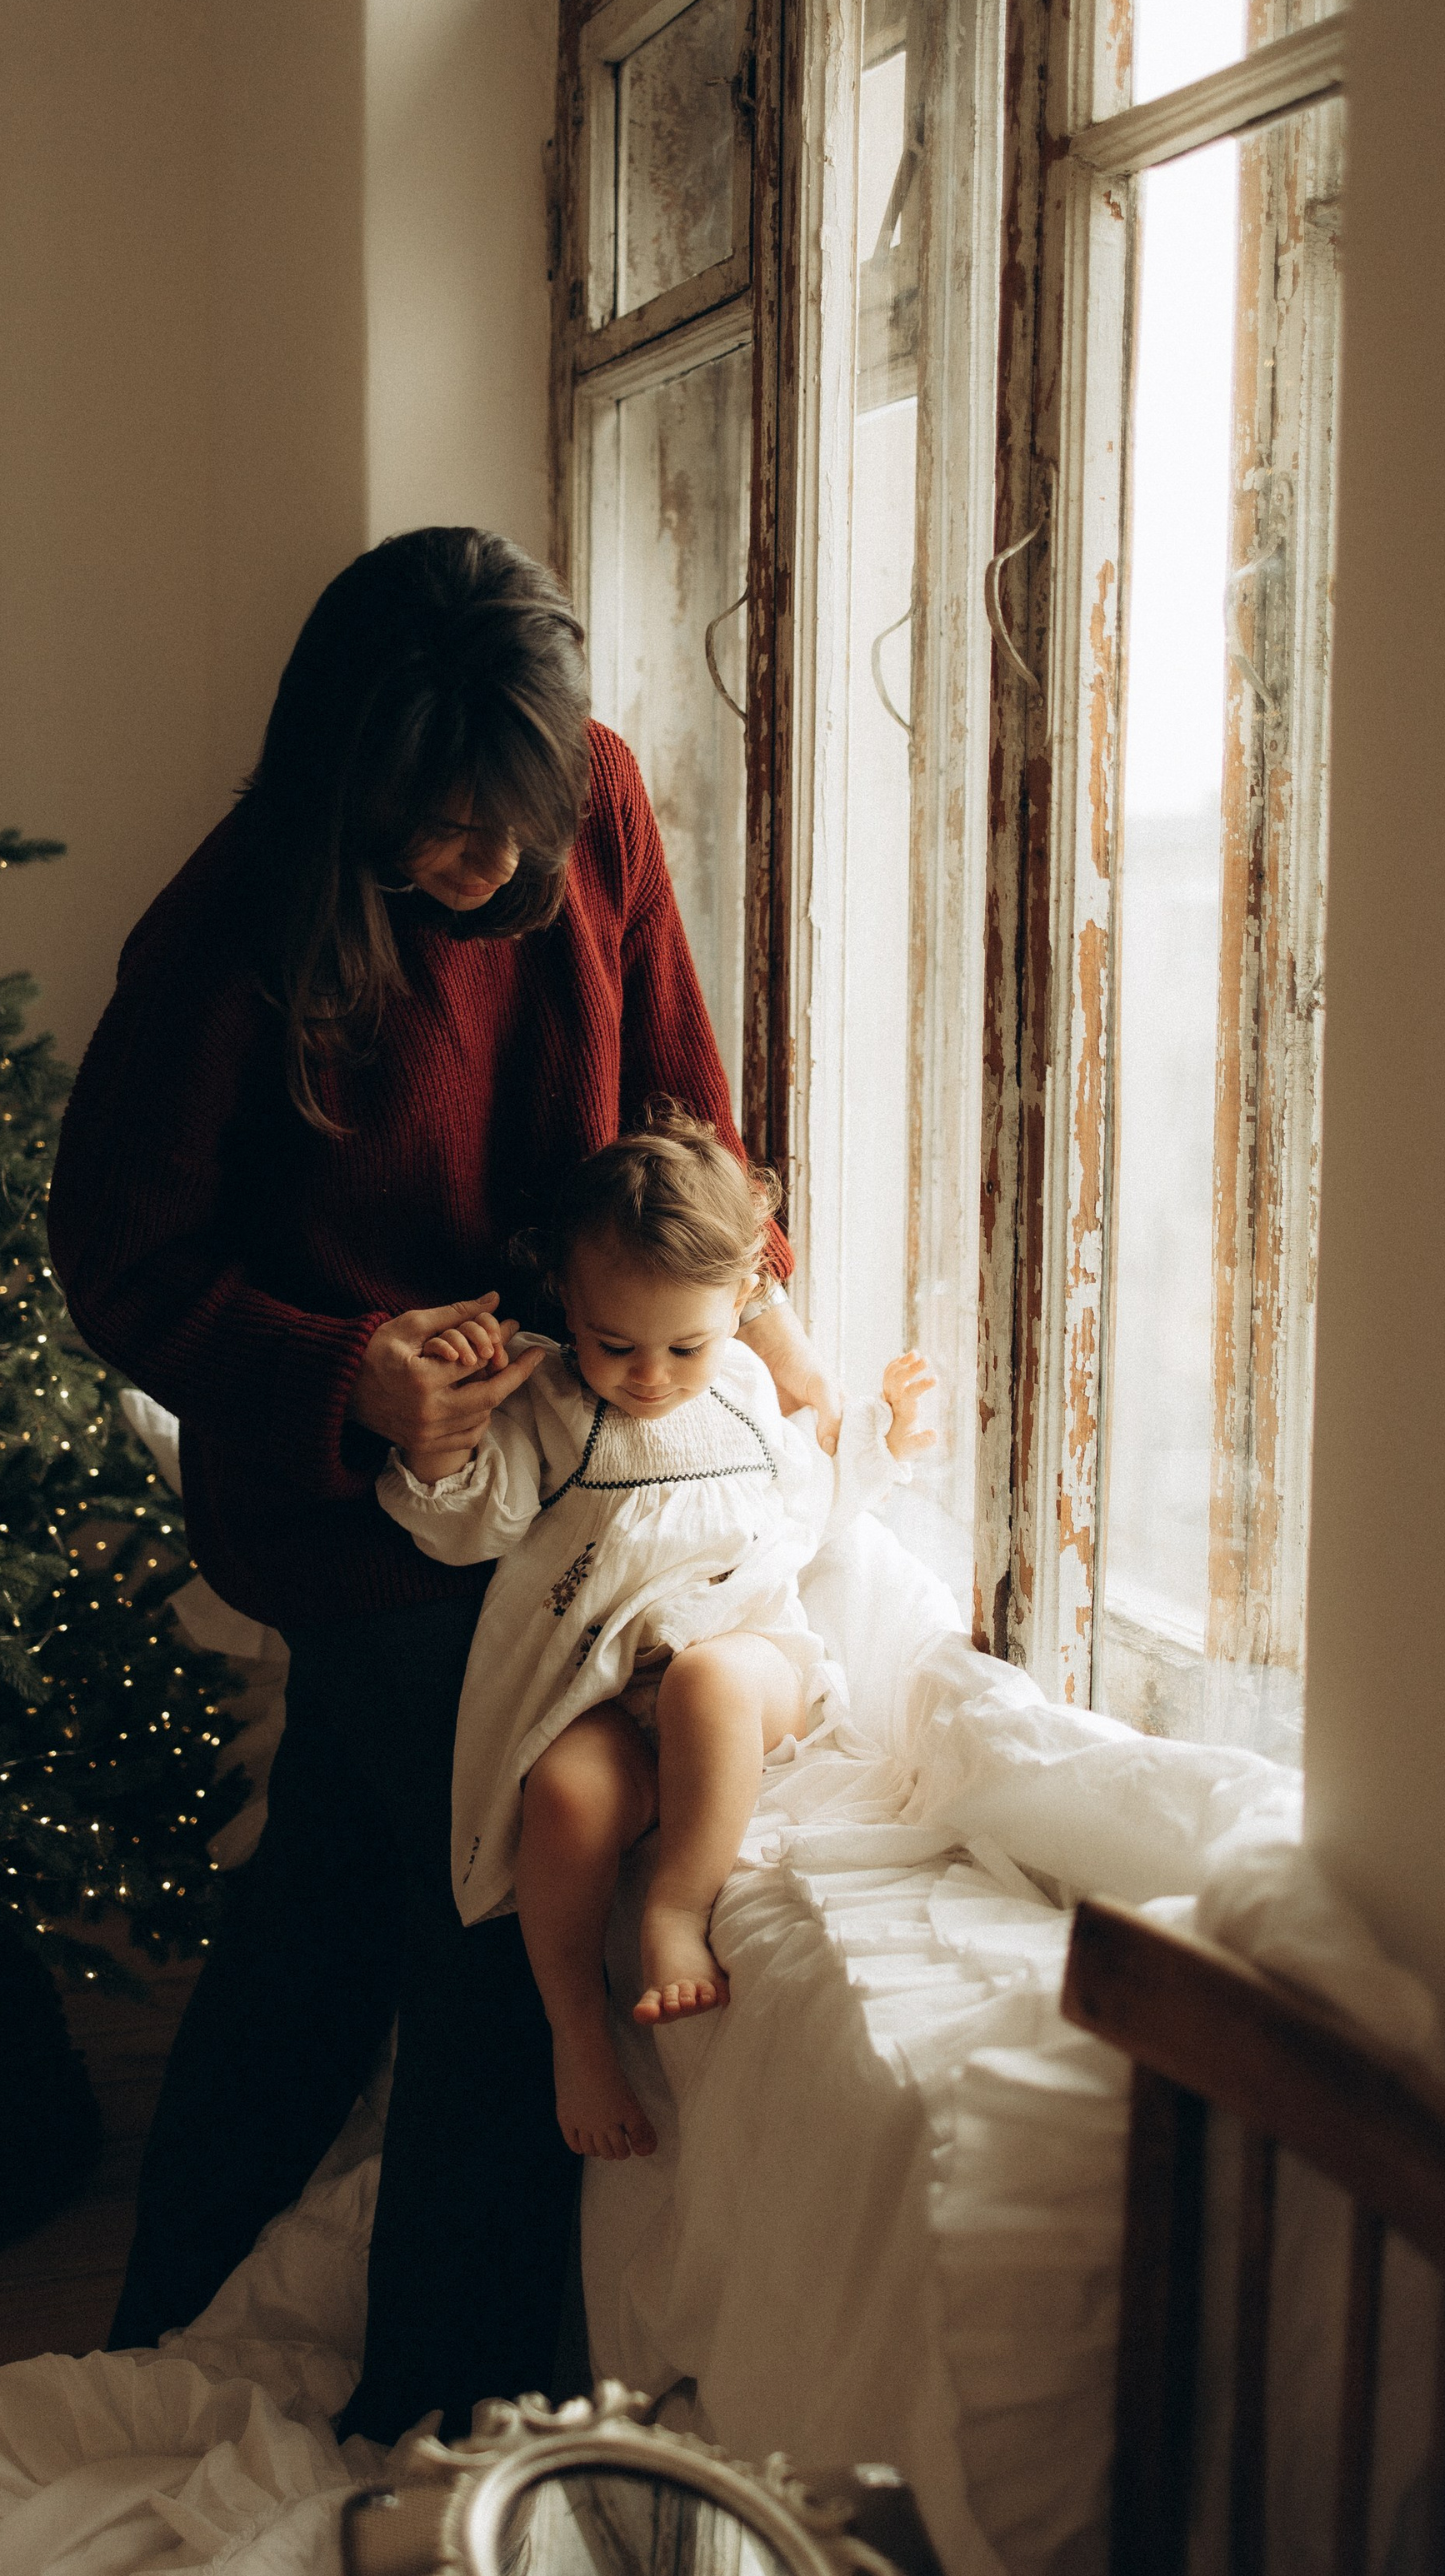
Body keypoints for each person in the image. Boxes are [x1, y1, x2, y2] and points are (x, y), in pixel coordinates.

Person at [45, 527, 841, 2440]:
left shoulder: (599, 803)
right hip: (353, 1503)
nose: (477, 867)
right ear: (341, 784)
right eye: (427, 831)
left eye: (505, 821)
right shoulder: (231, 925)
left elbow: (677, 1106)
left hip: (577, 1471)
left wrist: (744, 1313)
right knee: (497, 1926)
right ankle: (438, 2426)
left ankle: (169, 2310)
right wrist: (345, 1370)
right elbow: (116, 1257)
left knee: (329, 1888)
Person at [378, 1109, 934, 2163]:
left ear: (740, 1309)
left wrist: (882, 1443)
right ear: (569, 1308)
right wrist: (445, 1449)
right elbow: (466, 1527)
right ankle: (575, 2033)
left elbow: (803, 1503)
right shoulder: (546, 1400)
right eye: (613, 1343)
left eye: (686, 1343)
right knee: (565, 1792)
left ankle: (675, 1908)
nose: (649, 1375)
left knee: (711, 1683)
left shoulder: (740, 1391)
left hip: (746, 1657)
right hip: (597, 1686)